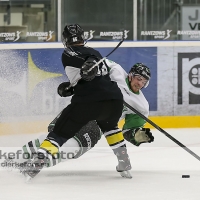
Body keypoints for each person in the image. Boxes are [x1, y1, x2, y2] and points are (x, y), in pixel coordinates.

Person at [16, 24, 132, 180]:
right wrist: (71, 87)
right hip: (115, 101)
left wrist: (89, 64)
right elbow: (93, 76)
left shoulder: (68, 52)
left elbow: (87, 63)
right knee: (111, 127)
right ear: (82, 37)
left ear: (65, 39)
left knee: (58, 134)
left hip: (90, 102)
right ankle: (124, 162)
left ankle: (36, 164)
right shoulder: (95, 52)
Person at [2, 62, 154, 179]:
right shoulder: (115, 70)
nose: (140, 83)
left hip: (98, 125)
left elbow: (128, 131)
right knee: (53, 138)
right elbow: (93, 64)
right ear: (130, 75)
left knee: (71, 148)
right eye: (138, 78)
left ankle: (33, 166)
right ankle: (16, 160)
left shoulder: (141, 105)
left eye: (144, 82)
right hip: (83, 107)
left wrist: (137, 136)